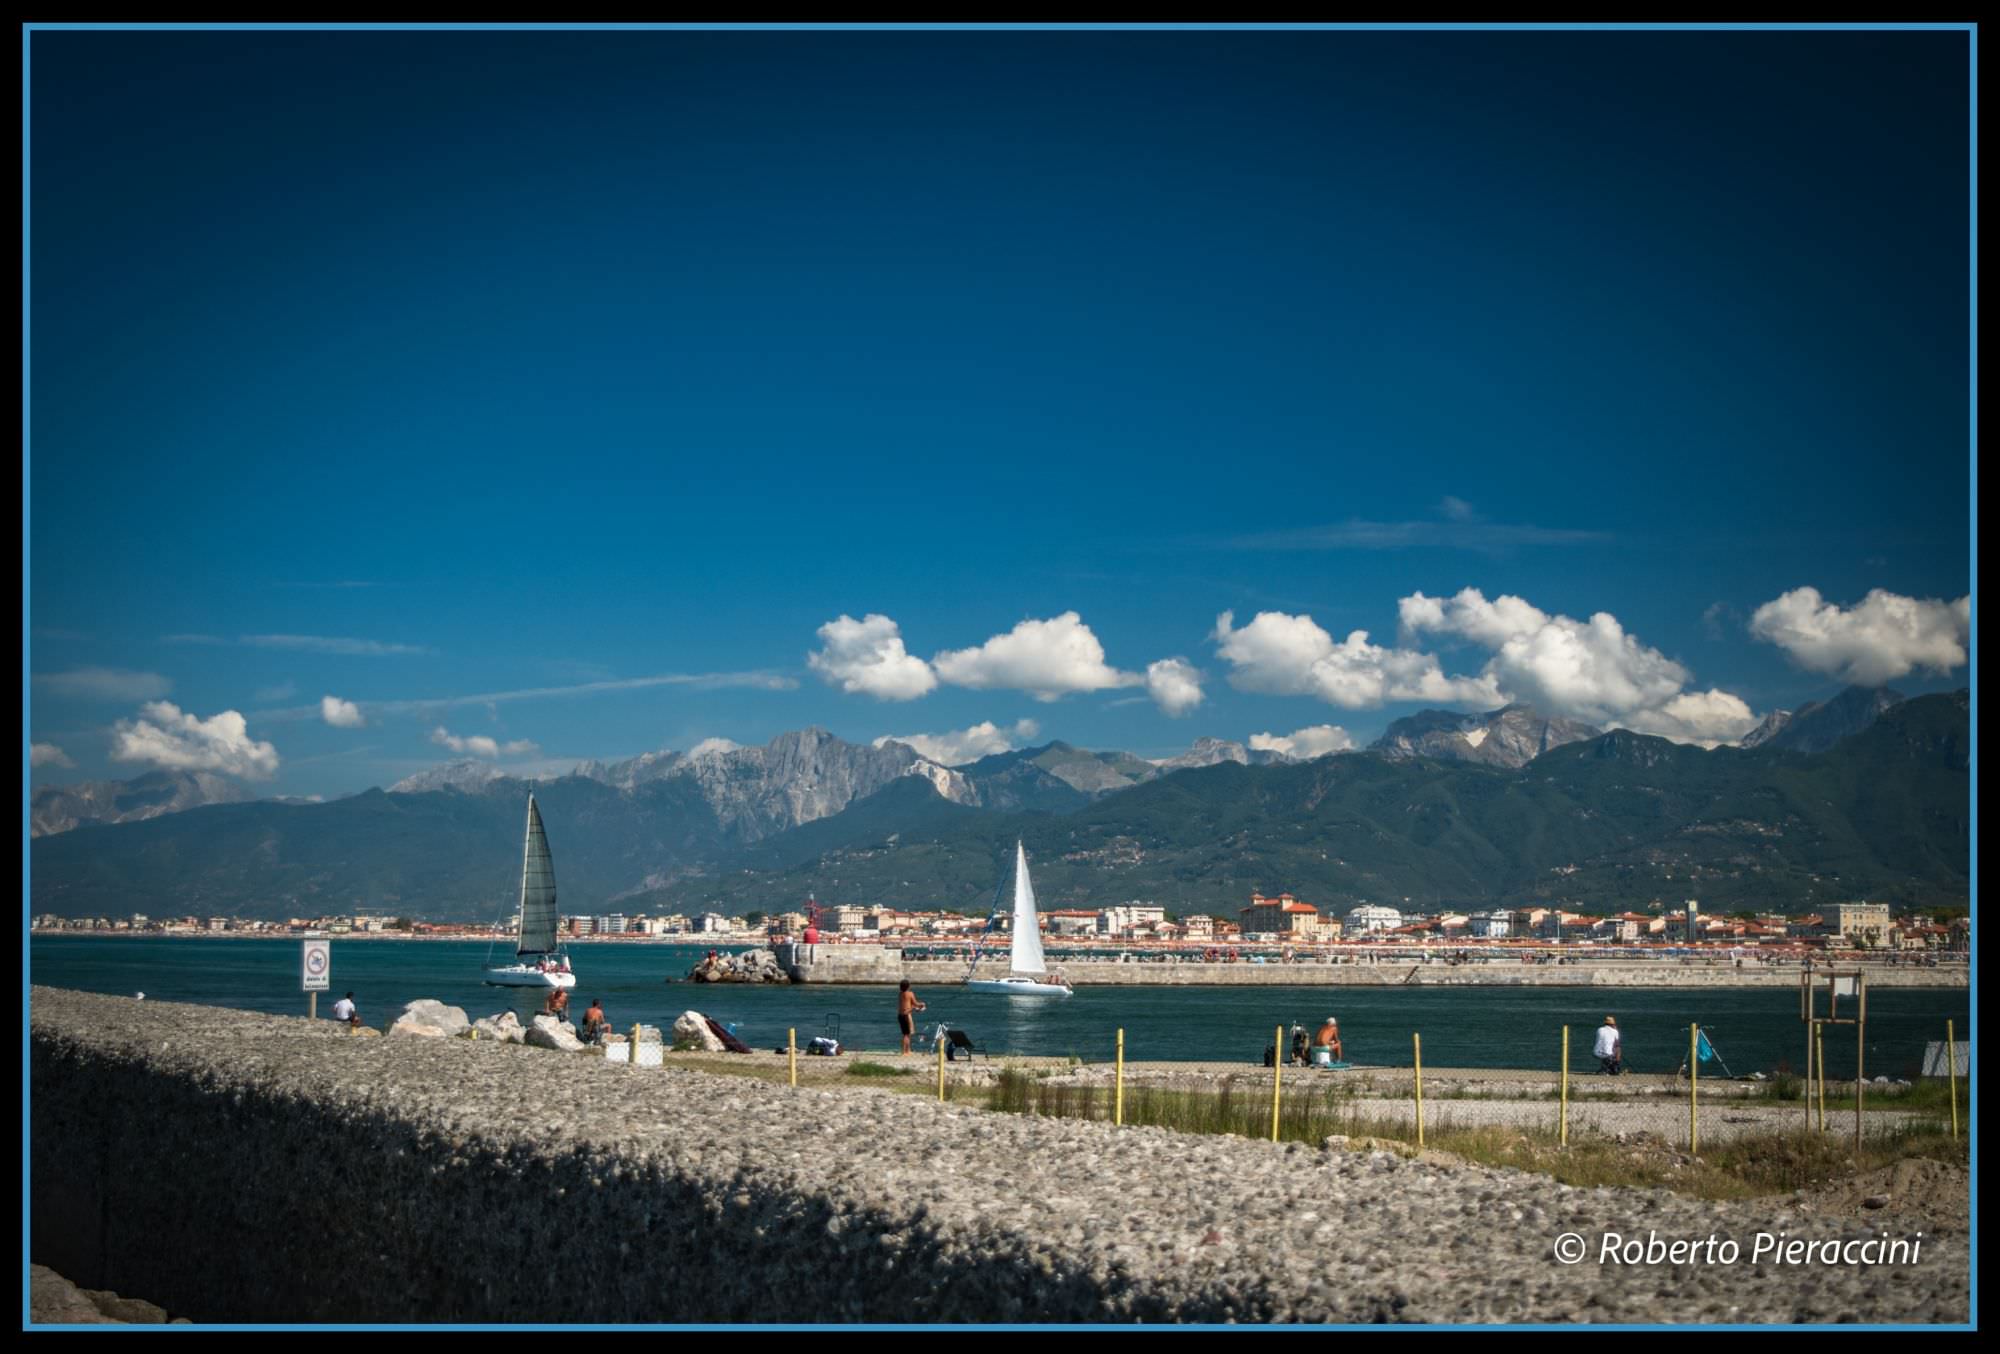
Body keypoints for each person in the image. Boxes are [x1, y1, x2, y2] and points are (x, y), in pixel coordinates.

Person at [897, 979, 926, 1055]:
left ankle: (908, 1051)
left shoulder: (900, 994)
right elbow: (916, 1003)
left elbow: (907, 1004)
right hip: (906, 1016)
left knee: (907, 1034)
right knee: (906, 1034)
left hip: (900, 1015)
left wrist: (913, 1008)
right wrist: (922, 1004)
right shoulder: (910, 993)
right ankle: (904, 1052)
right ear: (908, 986)